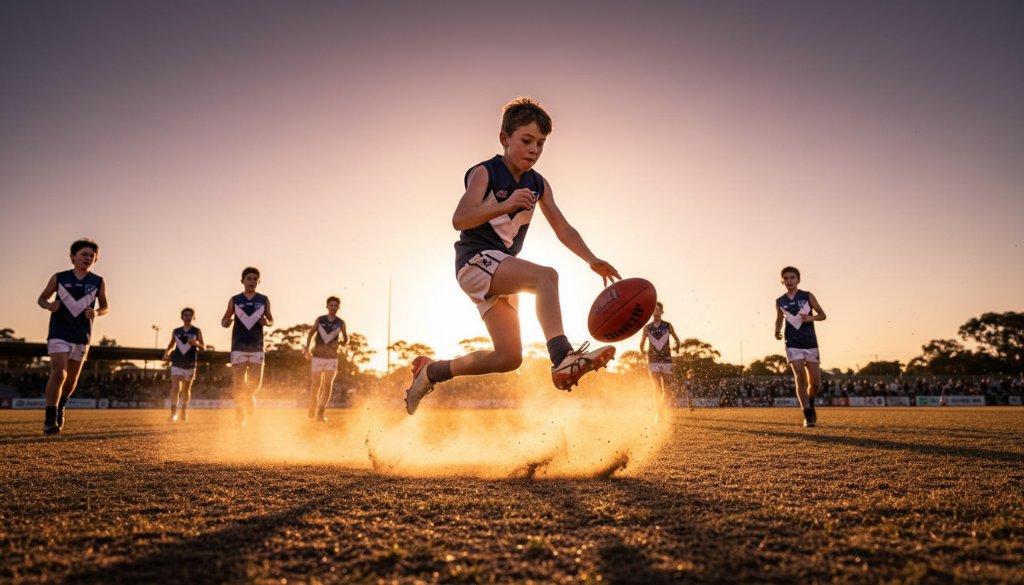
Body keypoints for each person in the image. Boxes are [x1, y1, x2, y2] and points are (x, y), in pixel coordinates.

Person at [404, 97, 621, 415]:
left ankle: (432, 372)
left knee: (508, 358)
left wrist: (591, 259)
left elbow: (563, 227)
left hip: (497, 268)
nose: (534, 149)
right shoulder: (485, 172)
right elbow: (460, 219)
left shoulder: (538, 184)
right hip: (474, 261)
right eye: (527, 140)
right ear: (505, 139)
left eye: (541, 143)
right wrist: (504, 205)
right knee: (545, 276)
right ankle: (562, 358)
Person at [36, 238, 109, 435]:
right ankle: (50, 418)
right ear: (73, 256)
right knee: (60, 373)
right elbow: (42, 298)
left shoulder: (97, 281)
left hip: (82, 336)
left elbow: (105, 306)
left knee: (71, 380)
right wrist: (49, 305)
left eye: (92, 256)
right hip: (59, 333)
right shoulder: (59, 278)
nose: (88, 258)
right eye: (84, 254)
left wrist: (97, 313)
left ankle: (60, 407)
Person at [774, 266, 827, 427]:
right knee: (800, 377)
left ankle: (810, 402)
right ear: (782, 281)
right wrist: (776, 330)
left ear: (798, 280)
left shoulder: (807, 296)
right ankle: (807, 413)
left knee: (815, 381)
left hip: (810, 343)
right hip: (792, 343)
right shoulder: (780, 301)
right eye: (786, 278)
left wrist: (810, 318)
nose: (789, 280)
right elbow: (779, 319)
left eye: (792, 277)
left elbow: (823, 315)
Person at [221, 267, 273, 427]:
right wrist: (226, 322)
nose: (251, 281)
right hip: (238, 346)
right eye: (248, 278)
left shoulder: (264, 299)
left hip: (257, 347)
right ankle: (240, 414)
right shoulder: (235, 300)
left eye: (254, 279)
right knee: (238, 383)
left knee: (255, 383)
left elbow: (271, 320)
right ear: (242, 281)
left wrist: (267, 322)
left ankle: (249, 396)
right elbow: (224, 320)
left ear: (259, 281)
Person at [302, 296, 348, 422]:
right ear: (327, 306)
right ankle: (313, 403)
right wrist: (307, 349)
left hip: (332, 358)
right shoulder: (320, 320)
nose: (333, 307)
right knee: (316, 384)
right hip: (317, 356)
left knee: (327, 385)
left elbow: (345, 339)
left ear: (339, 307)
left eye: (335, 305)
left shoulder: (341, 322)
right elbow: (311, 333)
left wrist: (340, 344)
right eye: (331, 305)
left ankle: (321, 413)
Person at [639, 301, 681, 421]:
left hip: (666, 360)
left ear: (662, 312)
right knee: (656, 388)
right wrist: (642, 351)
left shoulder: (668, 325)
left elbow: (677, 340)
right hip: (653, 361)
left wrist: (677, 347)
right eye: (654, 309)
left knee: (667, 390)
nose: (656, 311)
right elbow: (642, 342)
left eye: (658, 309)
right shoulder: (647, 327)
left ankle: (661, 408)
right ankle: (659, 413)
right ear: (651, 312)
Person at [162, 307, 205, 422]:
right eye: (185, 315)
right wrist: (167, 353)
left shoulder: (197, 331)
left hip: (190, 364)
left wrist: (195, 343)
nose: (187, 317)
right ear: (182, 317)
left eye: (189, 315)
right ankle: (173, 413)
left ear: (193, 317)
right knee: (175, 387)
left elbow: (203, 347)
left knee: (186, 390)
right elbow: (171, 345)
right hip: (177, 362)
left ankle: (184, 410)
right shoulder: (176, 331)